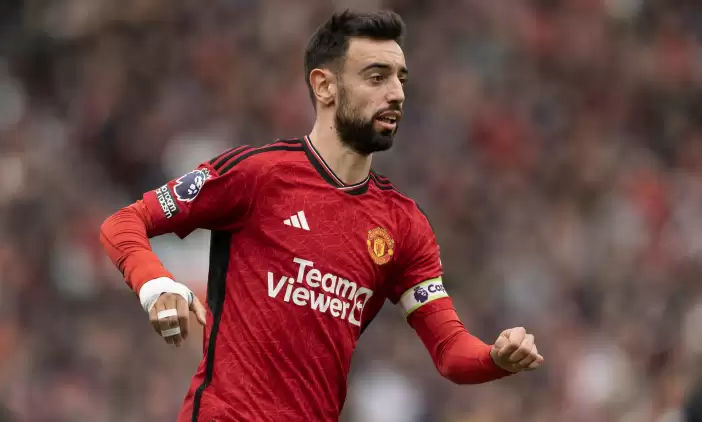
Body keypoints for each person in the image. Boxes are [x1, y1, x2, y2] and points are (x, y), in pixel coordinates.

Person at [100, 9, 544, 422]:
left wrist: (495, 358)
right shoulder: (259, 176)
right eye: (377, 77)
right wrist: (156, 285)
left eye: (401, 79)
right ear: (325, 86)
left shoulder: (404, 226)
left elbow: (450, 350)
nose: (396, 93)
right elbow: (123, 223)